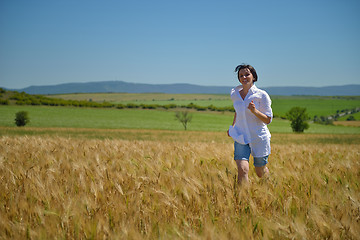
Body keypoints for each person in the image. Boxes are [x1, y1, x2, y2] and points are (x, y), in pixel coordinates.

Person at [227, 64, 273, 184]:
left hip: (258, 138)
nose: (244, 77)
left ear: (253, 76)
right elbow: (238, 112)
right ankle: (243, 200)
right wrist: (233, 127)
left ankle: (269, 189)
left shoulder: (262, 95)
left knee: (260, 172)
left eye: (247, 74)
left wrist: (254, 111)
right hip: (241, 136)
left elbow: (268, 119)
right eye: (241, 75)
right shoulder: (234, 94)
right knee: (242, 169)